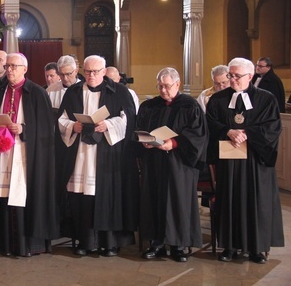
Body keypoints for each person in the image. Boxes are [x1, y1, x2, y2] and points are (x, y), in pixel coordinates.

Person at [57, 55, 137, 257]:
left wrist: (108, 125)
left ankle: (109, 243)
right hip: (81, 155)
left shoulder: (119, 91)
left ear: (103, 71)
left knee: (107, 196)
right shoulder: (74, 91)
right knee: (82, 198)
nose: (91, 75)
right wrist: (72, 126)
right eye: (87, 72)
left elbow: (128, 118)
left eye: (95, 72)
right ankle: (84, 241)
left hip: (108, 155)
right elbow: (61, 118)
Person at [207, 57, 284, 264]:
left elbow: (273, 127)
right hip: (229, 161)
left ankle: (257, 249)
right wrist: (228, 131)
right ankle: (229, 247)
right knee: (230, 200)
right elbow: (210, 125)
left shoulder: (266, 99)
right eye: (230, 75)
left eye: (237, 76)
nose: (232, 80)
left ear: (250, 76)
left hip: (255, 162)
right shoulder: (218, 99)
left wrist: (247, 133)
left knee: (256, 202)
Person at [0, 52, 58, 257]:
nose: (10, 70)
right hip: (2, 153)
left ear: (25, 68)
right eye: (7, 66)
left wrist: (23, 129)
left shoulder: (37, 93)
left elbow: (46, 128)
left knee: (23, 193)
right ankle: (5, 243)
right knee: (3, 193)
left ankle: (28, 244)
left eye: (14, 66)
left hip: (26, 154)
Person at [136, 67, 207, 262]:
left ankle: (179, 245)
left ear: (177, 84)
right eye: (160, 86)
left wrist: (174, 143)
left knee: (178, 202)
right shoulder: (150, 106)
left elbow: (198, 136)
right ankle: (156, 243)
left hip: (179, 164)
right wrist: (145, 140)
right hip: (154, 162)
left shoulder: (190, 106)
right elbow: (139, 128)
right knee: (155, 200)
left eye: (167, 86)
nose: (163, 90)